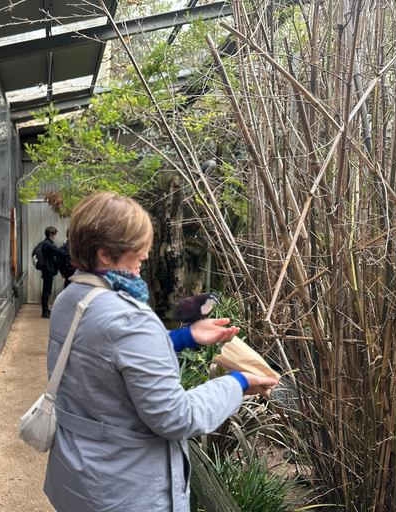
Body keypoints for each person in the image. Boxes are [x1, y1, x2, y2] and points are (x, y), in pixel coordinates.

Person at [43, 192, 277, 511]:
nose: (146, 256)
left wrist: (185, 337)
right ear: (105, 256)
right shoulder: (131, 318)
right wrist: (237, 384)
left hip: (78, 475)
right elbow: (177, 418)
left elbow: (109, 355)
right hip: (125, 490)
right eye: (137, 250)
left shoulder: (70, 299)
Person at [39, 226, 68, 318]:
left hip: (48, 270)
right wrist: (70, 254)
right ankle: (44, 311)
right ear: (50, 235)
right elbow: (58, 251)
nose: (55, 236)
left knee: (47, 290)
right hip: (48, 270)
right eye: (54, 234)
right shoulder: (48, 244)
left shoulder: (46, 243)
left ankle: (46, 310)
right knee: (46, 291)